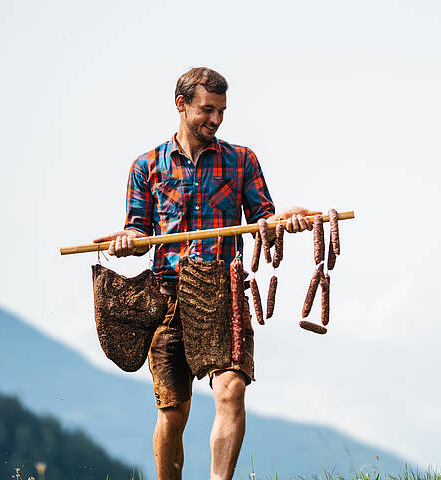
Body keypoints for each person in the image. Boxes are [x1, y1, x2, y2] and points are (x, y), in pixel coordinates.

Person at [94, 67, 318, 480]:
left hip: (223, 291)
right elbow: (139, 231)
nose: (215, 119)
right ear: (182, 105)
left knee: (231, 390)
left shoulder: (242, 160)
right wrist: (127, 240)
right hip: (168, 295)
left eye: (222, 112)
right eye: (207, 110)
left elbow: (263, 224)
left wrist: (285, 221)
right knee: (173, 411)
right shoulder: (145, 166)